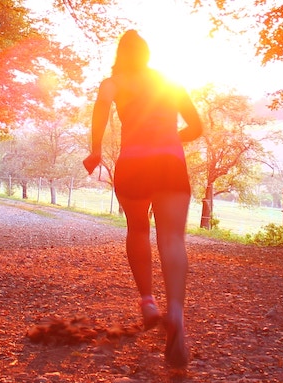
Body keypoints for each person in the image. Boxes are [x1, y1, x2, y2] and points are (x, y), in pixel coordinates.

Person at [83, 30, 203, 368]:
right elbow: (196, 127)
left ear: (121, 54)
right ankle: (176, 313)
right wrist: (168, 138)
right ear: (148, 55)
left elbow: (100, 115)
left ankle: (149, 303)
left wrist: (94, 151)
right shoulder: (170, 83)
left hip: (133, 164)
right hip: (170, 163)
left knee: (137, 228)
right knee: (172, 237)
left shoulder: (113, 83)